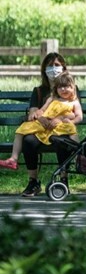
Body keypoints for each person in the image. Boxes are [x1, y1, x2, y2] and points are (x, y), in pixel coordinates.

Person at [6, 53, 79, 196]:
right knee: (28, 141)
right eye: (50, 66)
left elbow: (75, 112)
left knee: (62, 141)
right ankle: (33, 182)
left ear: (63, 67)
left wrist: (61, 118)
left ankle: (63, 180)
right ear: (44, 69)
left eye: (57, 65)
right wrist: (40, 118)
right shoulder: (39, 91)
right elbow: (33, 112)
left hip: (59, 129)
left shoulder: (71, 88)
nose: (53, 69)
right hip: (41, 130)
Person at [1, 72, 82, 177]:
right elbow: (42, 110)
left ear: (73, 88)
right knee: (21, 130)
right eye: (60, 87)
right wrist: (38, 114)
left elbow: (78, 116)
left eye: (67, 87)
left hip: (60, 126)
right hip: (45, 125)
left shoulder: (74, 102)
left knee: (71, 131)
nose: (63, 89)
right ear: (56, 89)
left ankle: (80, 156)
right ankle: (13, 159)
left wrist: (70, 120)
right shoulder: (52, 98)